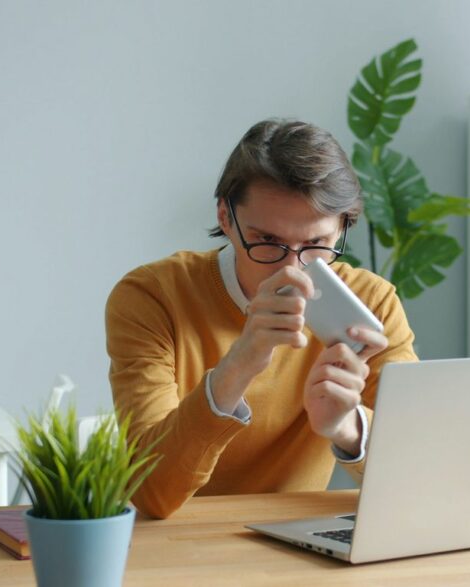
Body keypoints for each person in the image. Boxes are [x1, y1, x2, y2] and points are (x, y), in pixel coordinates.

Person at [106, 119, 417, 519]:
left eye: (317, 244)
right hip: (174, 543)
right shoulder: (153, 297)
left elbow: (420, 471)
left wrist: (346, 427)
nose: (292, 268)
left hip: (292, 544)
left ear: (342, 227)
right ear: (225, 217)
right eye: (268, 241)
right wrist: (239, 365)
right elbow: (152, 493)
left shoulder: (371, 303)